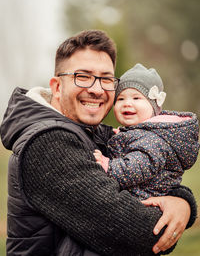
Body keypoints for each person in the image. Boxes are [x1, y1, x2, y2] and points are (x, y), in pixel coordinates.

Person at [0, 30, 197, 256]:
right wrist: (178, 210)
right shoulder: (47, 142)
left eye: (106, 79)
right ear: (56, 86)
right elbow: (140, 232)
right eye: (82, 76)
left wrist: (181, 202)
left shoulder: (93, 134)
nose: (96, 89)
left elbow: (156, 176)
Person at [94, 63, 199, 201]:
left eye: (136, 98)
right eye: (120, 99)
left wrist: (109, 165)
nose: (127, 103)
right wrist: (120, 136)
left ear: (154, 107)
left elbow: (138, 167)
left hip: (144, 198)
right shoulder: (143, 134)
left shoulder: (153, 140)